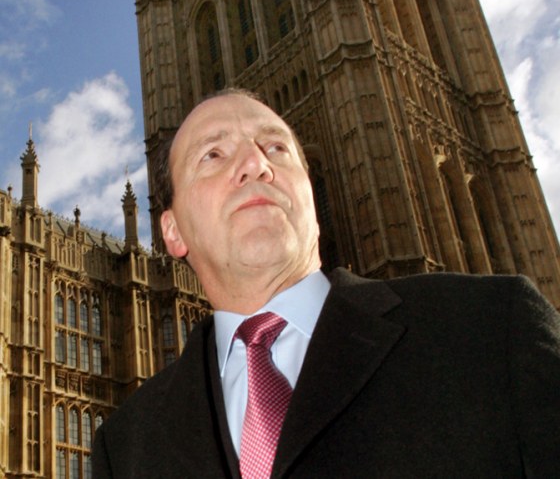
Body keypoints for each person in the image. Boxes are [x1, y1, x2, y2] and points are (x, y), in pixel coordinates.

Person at [93, 89, 560, 478]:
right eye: (213, 154)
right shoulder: (125, 445)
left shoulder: (493, 328)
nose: (255, 164)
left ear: (311, 196)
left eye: (276, 148)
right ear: (171, 231)